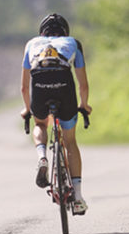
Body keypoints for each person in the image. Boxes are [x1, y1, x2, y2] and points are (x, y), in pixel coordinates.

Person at [20, 13, 92, 215]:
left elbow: (25, 88)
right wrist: (84, 105)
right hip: (64, 86)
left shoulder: (31, 44)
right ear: (65, 31)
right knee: (70, 142)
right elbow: (83, 84)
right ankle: (77, 197)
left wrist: (28, 109)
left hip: (40, 86)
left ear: (42, 32)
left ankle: (42, 156)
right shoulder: (73, 43)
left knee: (41, 125)